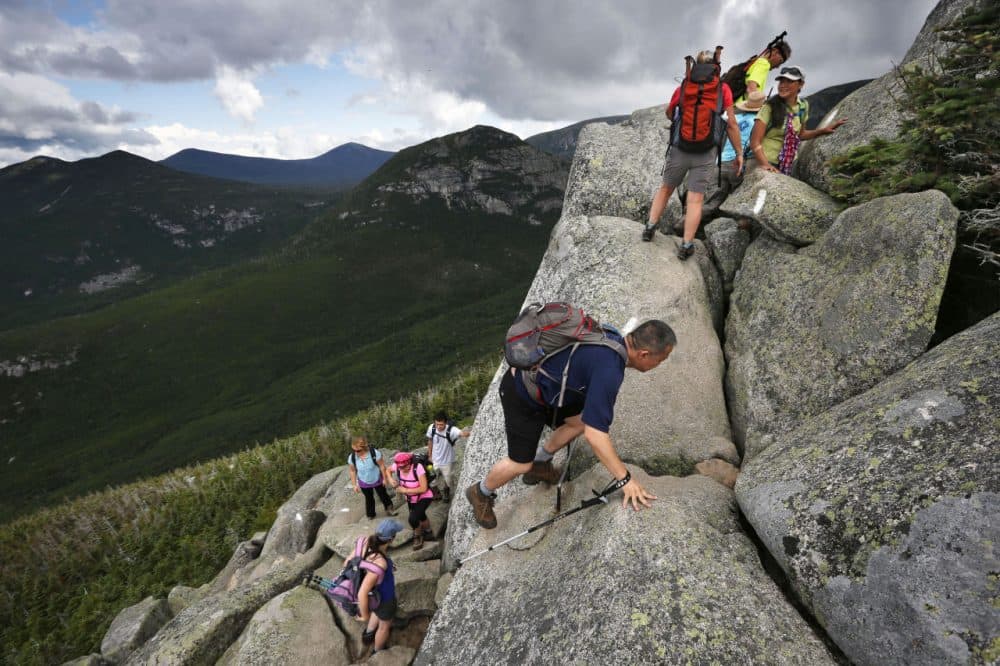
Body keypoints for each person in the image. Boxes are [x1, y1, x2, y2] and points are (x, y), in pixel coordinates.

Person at [465, 319, 676, 530]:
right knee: (520, 463)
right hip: (522, 393)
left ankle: (541, 462)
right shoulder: (610, 369)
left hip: (543, 386)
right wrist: (625, 480)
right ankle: (481, 492)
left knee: (581, 421)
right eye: (661, 360)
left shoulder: (611, 336)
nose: (660, 365)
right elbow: (596, 435)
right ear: (645, 354)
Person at [643, 49, 745, 260]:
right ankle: (686, 245)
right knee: (695, 200)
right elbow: (732, 124)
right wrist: (739, 152)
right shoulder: (722, 89)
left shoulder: (685, 85)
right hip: (706, 152)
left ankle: (650, 227)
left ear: (696, 66)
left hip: (681, 148)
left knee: (666, 188)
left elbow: (670, 113)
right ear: (716, 67)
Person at [749, 66, 848, 175]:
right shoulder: (769, 107)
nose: (783, 85)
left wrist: (822, 131)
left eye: (789, 81)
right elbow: (755, 142)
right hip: (762, 161)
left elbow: (801, 135)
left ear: (801, 84)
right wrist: (766, 165)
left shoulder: (803, 106)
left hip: (787, 163)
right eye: (781, 81)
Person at [355, 519, 403, 657]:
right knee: (384, 627)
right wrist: (364, 615)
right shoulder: (380, 563)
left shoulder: (365, 543)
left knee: (377, 611)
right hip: (385, 598)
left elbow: (348, 562)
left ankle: (368, 634)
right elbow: (362, 593)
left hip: (375, 597)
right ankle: (377, 651)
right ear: (391, 539)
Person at [388, 451, 436, 549]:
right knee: (421, 515)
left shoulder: (418, 468)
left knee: (413, 518)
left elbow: (423, 488)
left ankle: (418, 535)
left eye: (406, 466)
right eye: (400, 467)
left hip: (424, 496)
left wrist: (405, 490)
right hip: (411, 498)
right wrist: (390, 480)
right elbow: (387, 470)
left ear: (410, 462)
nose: (403, 469)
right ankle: (428, 531)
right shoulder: (397, 466)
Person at [425, 411, 471, 503]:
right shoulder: (432, 428)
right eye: (437, 424)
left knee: (448, 479)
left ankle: (446, 491)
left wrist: (470, 432)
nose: (438, 427)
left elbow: (462, 433)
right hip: (434, 459)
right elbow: (430, 441)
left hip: (447, 461)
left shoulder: (452, 430)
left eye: (441, 424)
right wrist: (429, 455)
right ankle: (436, 492)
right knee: (431, 477)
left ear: (445, 423)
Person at [347, 436, 396, 520]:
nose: (356, 452)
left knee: (383, 494)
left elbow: (382, 466)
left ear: (364, 447)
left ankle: (389, 509)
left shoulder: (374, 453)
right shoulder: (352, 457)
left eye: (358, 450)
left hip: (377, 478)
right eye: (354, 450)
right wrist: (354, 484)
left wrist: (384, 479)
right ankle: (371, 514)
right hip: (363, 481)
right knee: (368, 497)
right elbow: (352, 471)